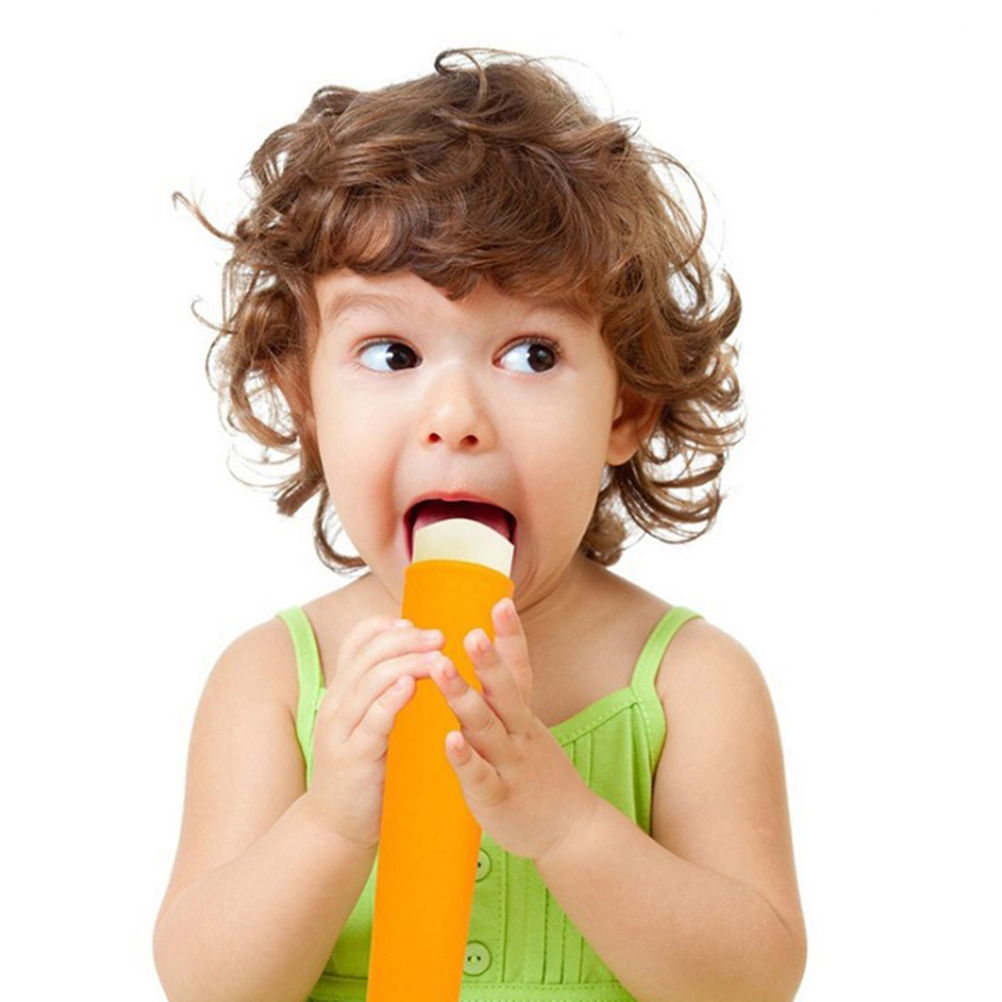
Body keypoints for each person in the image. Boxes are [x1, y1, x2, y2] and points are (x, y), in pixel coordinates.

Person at [153, 48, 807, 1002]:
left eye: (531, 354)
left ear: (626, 409)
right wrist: (331, 824)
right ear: (304, 397)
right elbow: (204, 984)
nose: (455, 415)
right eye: (391, 352)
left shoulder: (690, 683)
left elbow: (753, 981)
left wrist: (566, 824)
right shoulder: (273, 680)